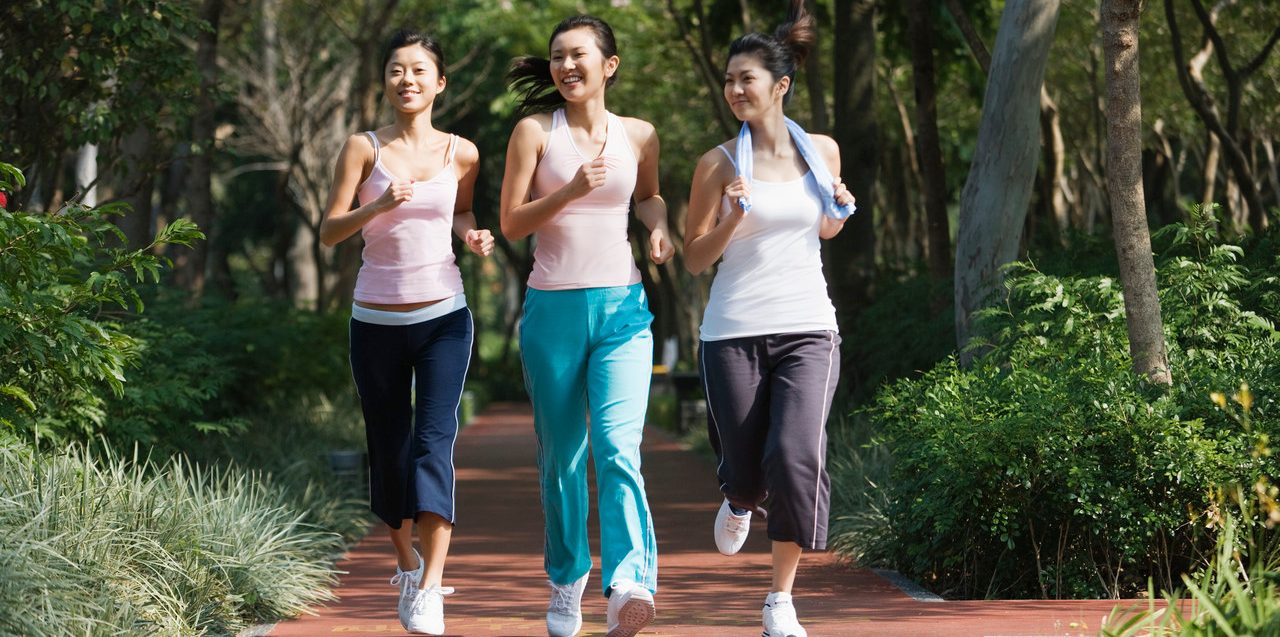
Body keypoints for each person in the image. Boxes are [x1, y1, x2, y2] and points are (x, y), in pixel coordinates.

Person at [682, 2, 855, 636]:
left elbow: (825, 229)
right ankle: (737, 499)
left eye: (745, 79)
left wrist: (841, 203)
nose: (733, 90)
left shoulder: (822, 151)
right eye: (728, 80)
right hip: (732, 331)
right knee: (751, 472)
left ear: (780, 86)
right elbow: (696, 259)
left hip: (810, 325)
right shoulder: (718, 164)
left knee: (795, 454)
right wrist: (730, 219)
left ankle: (780, 600)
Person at [499, 14, 674, 637]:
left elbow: (648, 195)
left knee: (617, 447)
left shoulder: (640, 135)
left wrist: (658, 226)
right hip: (554, 311)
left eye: (578, 55)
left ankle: (630, 582)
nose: (565, 66)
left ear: (610, 65)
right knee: (563, 458)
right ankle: (567, 580)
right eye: (556, 57)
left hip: (624, 309)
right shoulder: (533, 133)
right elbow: (512, 224)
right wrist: (570, 189)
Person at [318, 28, 494, 636]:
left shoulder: (462, 153)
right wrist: (378, 206)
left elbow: (463, 210)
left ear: (439, 82)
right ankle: (405, 561)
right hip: (376, 321)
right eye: (397, 70)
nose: (407, 80)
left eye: (419, 70)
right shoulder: (361, 148)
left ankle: (429, 588)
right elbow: (330, 231)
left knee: (432, 445)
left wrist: (471, 236)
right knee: (388, 451)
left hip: (445, 316)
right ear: (386, 81)